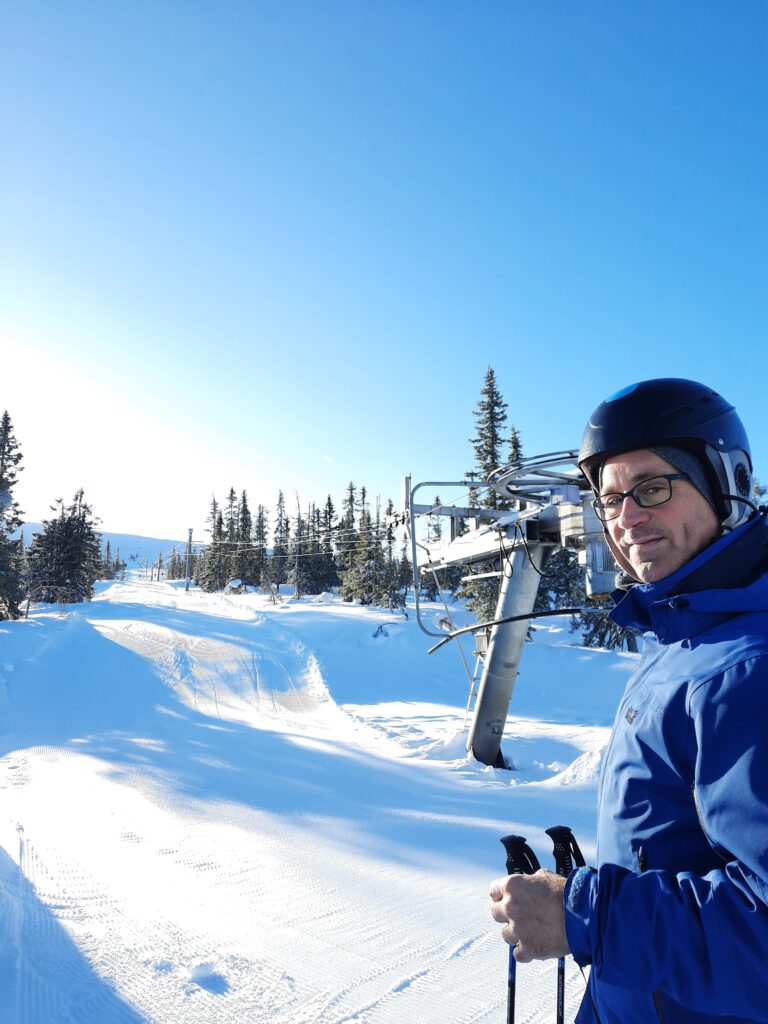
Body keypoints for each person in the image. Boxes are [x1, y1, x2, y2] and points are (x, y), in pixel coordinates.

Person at [489, 377, 768, 1024]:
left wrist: (584, 915)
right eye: (610, 499)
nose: (626, 519)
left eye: (652, 488)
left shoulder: (747, 669)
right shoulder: (688, 633)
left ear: (729, 483)